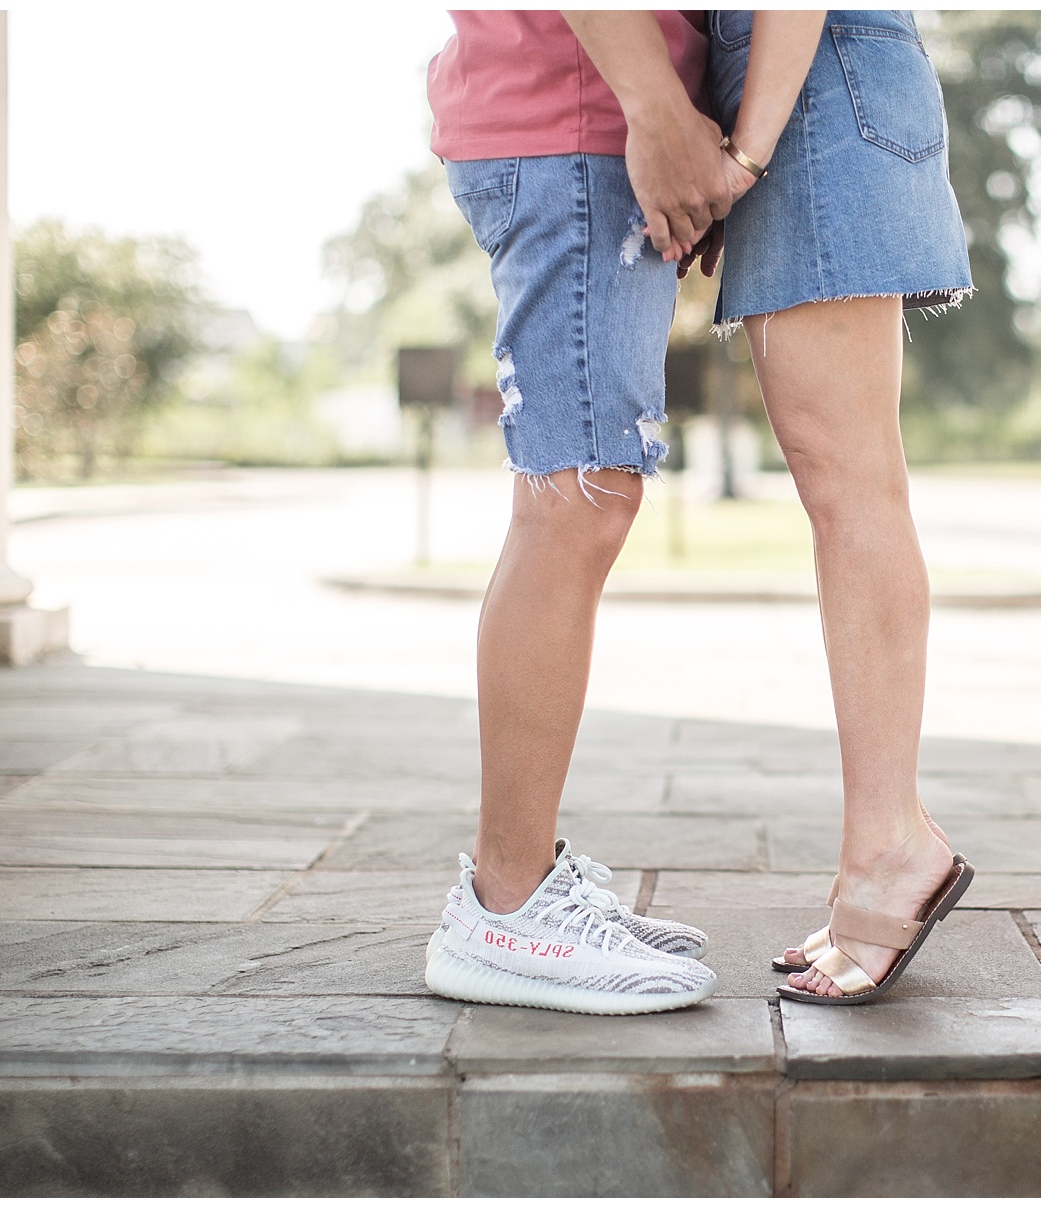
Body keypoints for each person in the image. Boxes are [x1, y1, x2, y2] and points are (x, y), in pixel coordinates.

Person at [419, 11, 739, 1015]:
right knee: (575, 500)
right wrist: (655, 106)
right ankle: (505, 903)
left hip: (586, 116)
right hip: (577, 116)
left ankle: (520, 880)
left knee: (579, 494)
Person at [702, 11, 978, 1003]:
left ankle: (892, 847)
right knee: (842, 484)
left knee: (853, 482)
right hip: (802, 85)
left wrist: (741, 152)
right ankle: (884, 839)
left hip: (809, 86)